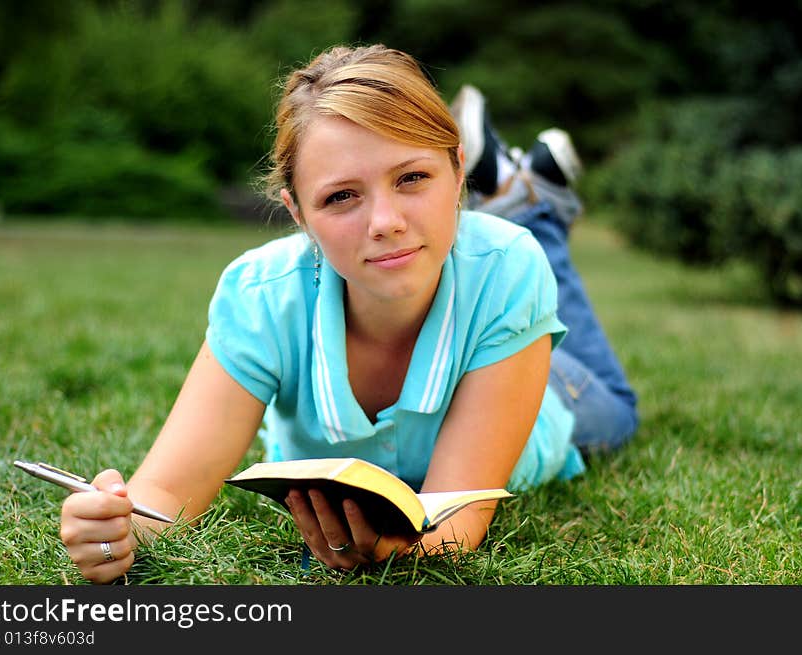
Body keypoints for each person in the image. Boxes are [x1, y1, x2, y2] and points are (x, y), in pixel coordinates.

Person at [59, 44, 638, 584]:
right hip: (472, 280)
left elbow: (454, 526)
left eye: (412, 178)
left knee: (613, 415)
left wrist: (397, 553)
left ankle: (533, 209)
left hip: (542, 399)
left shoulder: (507, 269)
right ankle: (518, 193)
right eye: (341, 196)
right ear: (298, 213)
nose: (383, 221)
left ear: (457, 171)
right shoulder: (263, 295)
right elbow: (161, 496)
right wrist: (113, 529)